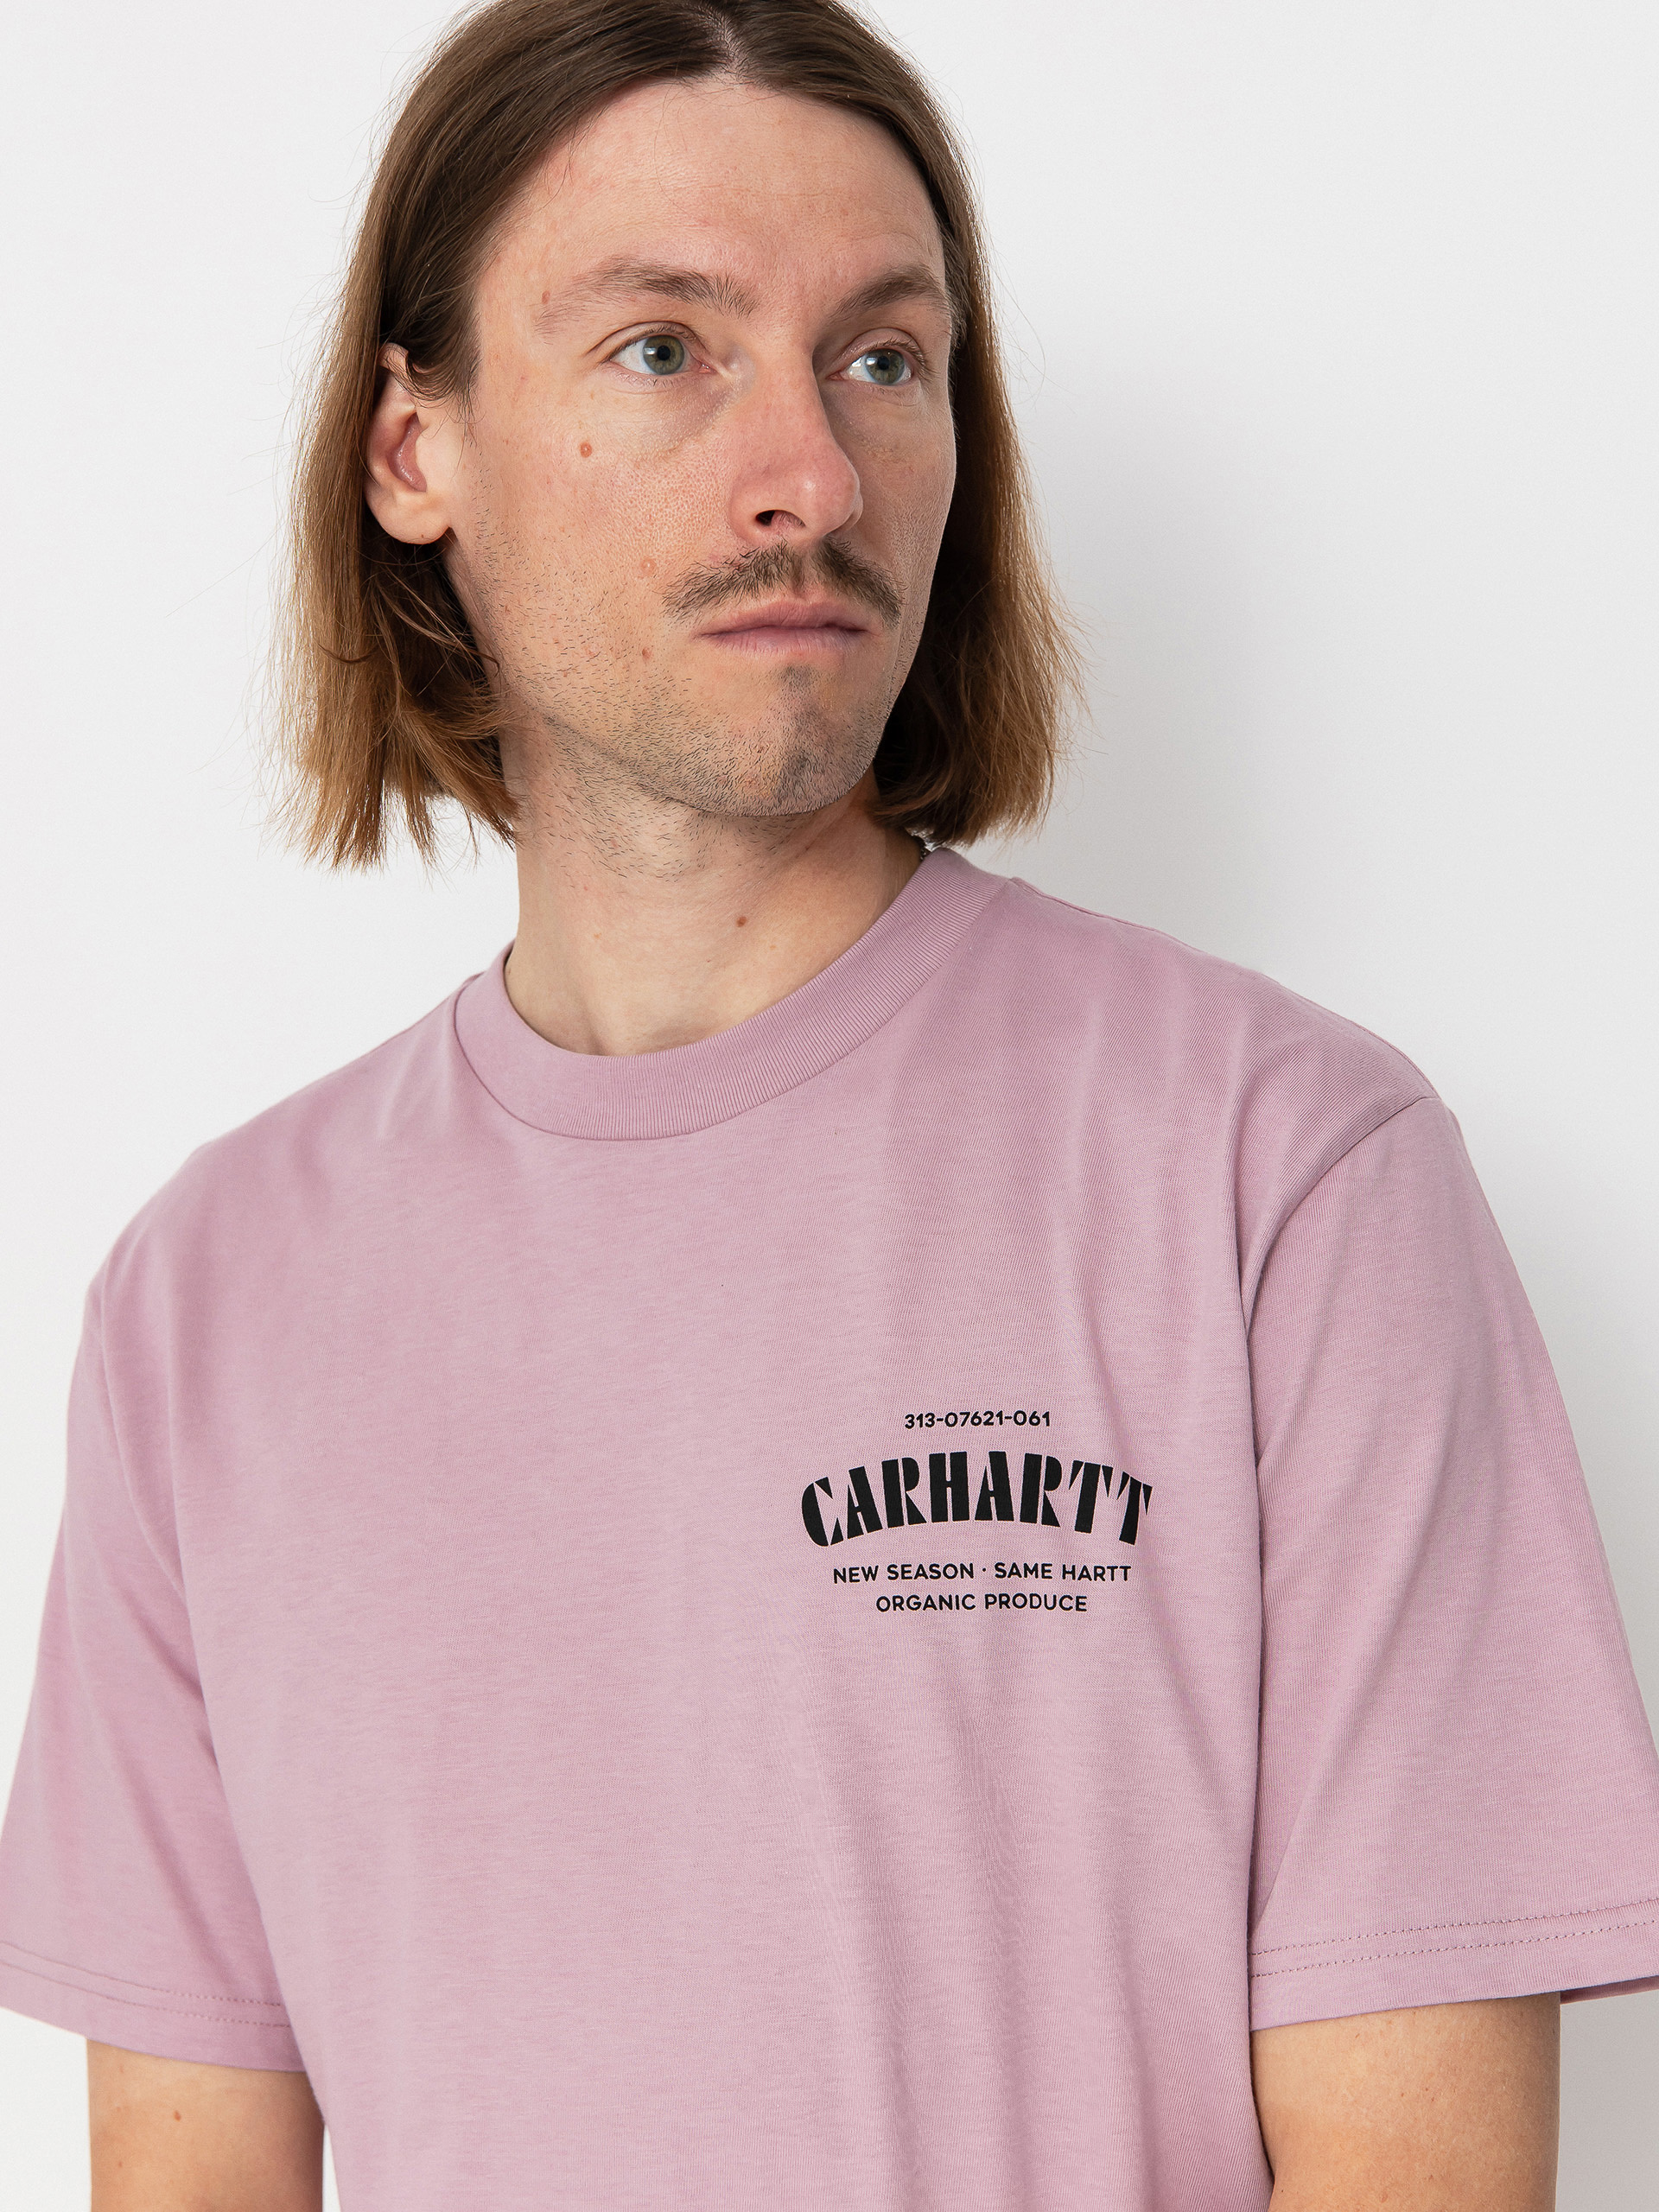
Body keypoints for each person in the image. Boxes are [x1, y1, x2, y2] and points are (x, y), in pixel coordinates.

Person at [3, 1, 1656, 2205]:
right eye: (663, 349)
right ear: (415, 450)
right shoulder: (204, 1304)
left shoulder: (1286, 1175)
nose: (812, 472)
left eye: (884, 357)